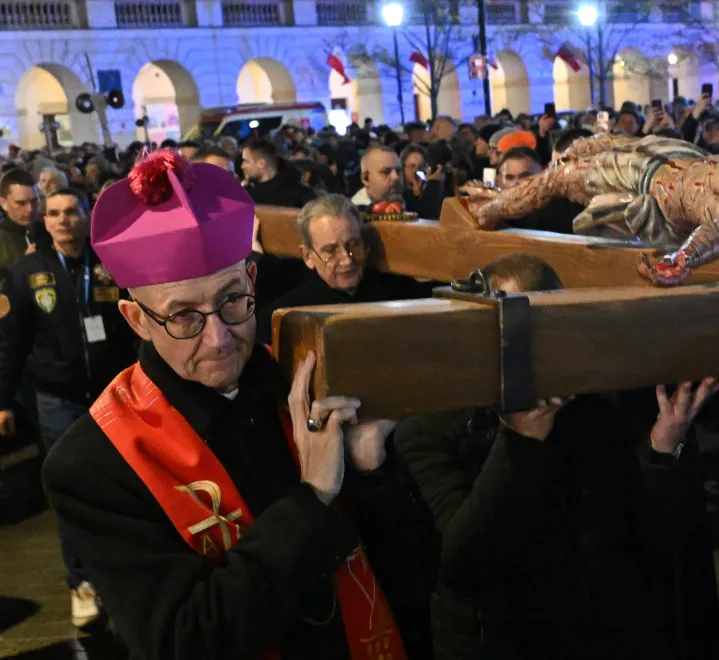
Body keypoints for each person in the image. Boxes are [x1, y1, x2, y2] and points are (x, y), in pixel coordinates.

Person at [42, 151, 438, 659]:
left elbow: (419, 574)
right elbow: (187, 640)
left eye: (231, 300)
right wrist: (313, 495)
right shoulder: (93, 463)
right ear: (135, 319)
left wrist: (372, 473)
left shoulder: (310, 380)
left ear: (252, 281)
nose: (218, 339)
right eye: (183, 316)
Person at [396, 254, 719, 660]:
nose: (538, 349)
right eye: (521, 333)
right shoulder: (430, 427)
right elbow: (466, 565)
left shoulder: (596, 405)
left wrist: (662, 447)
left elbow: (649, 535)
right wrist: (520, 441)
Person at [0, 188, 137, 628]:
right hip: (56, 398)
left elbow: (134, 327)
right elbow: (11, 342)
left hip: (111, 394)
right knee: (69, 488)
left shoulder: (109, 264)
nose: (63, 221)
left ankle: (123, 575)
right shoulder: (26, 274)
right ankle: (80, 580)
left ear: (85, 216)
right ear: (45, 220)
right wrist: (2, 399)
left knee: (122, 486)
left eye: (71, 212)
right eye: (54, 214)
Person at [257, 195, 434, 343]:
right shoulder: (285, 315)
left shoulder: (402, 292)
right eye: (330, 251)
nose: (347, 260)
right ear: (308, 256)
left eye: (353, 245)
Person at [241, 139, 317, 208]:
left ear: (261, 164)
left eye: (246, 161)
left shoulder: (302, 194)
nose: (242, 166)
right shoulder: (246, 192)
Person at [0, 169, 38, 267]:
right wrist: (23, 267)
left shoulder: (47, 230)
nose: (30, 209)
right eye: (21, 203)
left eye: (34, 201)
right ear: (3, 203)